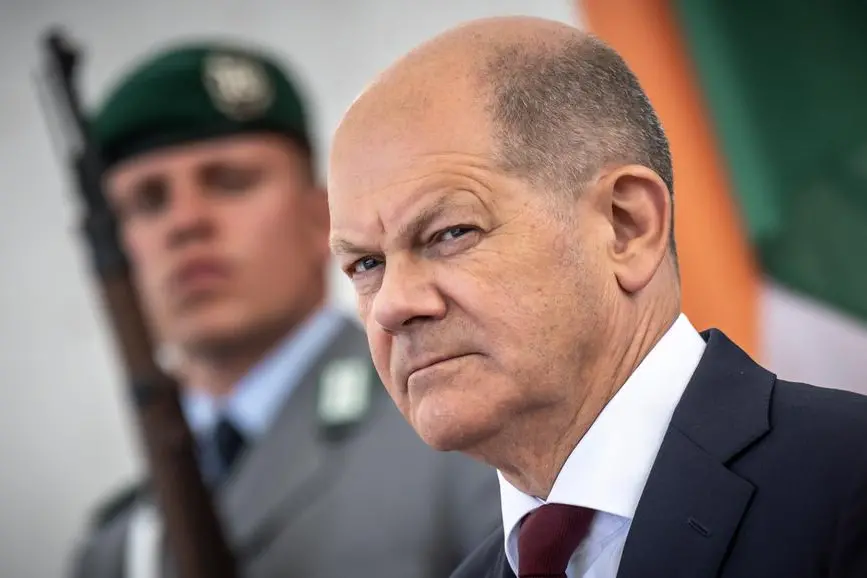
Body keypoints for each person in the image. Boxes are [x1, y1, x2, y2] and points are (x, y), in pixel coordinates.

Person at [326, 15, 867, 578]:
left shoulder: (850, 479)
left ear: (626, 226)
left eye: (450, 233)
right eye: (366, 264)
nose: (392, 305)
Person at [68, 39, 501, 578]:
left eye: (229, 182)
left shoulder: (460, 437)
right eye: (148, 200)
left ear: (322, 217)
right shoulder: (118, 546)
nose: (186, 223)